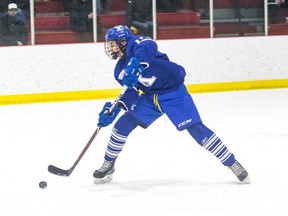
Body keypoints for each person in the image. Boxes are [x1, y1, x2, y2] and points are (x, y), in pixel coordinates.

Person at [93, 25, 250, 184]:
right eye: (109, 44)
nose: (110, 48)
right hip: (150, 98)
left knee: (196, 128)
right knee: (121, 126)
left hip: (173, 93)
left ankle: (231, 162)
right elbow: (131, 92)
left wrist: (138, 63)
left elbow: (149, 45)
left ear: (124, 42)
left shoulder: (137, 43)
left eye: (112, 43)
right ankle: (109, 163)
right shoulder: (119, 70)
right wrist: (116, 107)